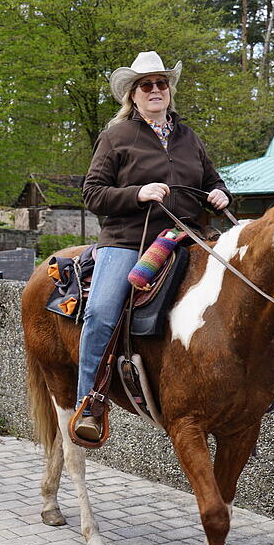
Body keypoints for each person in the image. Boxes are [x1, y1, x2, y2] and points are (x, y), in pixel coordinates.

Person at [73, 51, 231, 443]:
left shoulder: (188, 136)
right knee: (102, 312)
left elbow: (214, 179)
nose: (156, 89)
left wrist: (220, 194)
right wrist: (137, 193)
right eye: (147, 85)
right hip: (130, 239)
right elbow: (92, 193)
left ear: (169, 90)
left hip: (188, 236)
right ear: (133, 93)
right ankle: (89, 401)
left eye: (162, 83)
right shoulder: (116, 137)